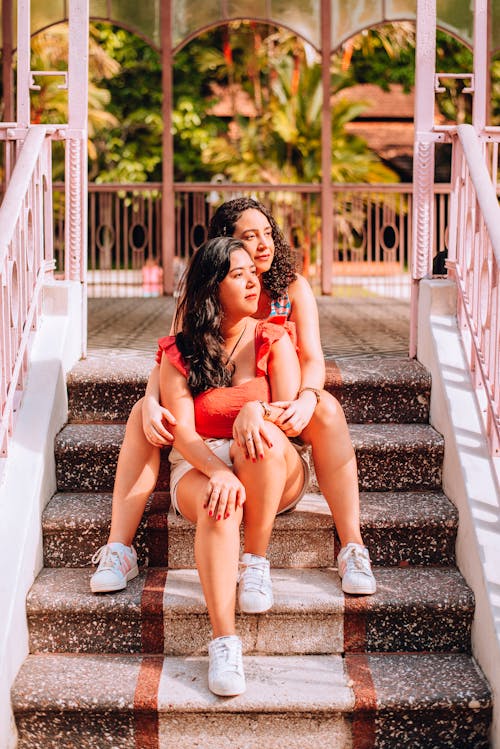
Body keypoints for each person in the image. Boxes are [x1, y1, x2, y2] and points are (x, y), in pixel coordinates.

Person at [90, 198, 375, 600]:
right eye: (248, 236)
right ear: (225, 244)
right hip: (212, 424)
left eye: (267, 233)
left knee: (327, 408)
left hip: (277, 405)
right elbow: (173, 355)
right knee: (143, 412)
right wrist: (152, 400)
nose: (263, 244)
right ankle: (119, 547)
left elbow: (311, 357)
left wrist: (306, 399)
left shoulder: (289, 288)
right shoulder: (204, 290)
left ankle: (352, 547)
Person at [94, 236, 308, 696]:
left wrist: (258, 411)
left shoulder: (273, 336)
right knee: (219, 504)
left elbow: (289, 415)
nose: (253, 281)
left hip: (269, 465)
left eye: (254, 271)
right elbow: (186, 435)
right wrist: (218, 471)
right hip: (203, 463)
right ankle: (224, 641)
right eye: (239, 274)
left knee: (265, 442)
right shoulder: (180, 350)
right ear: (213, 288)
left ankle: (255, 561)